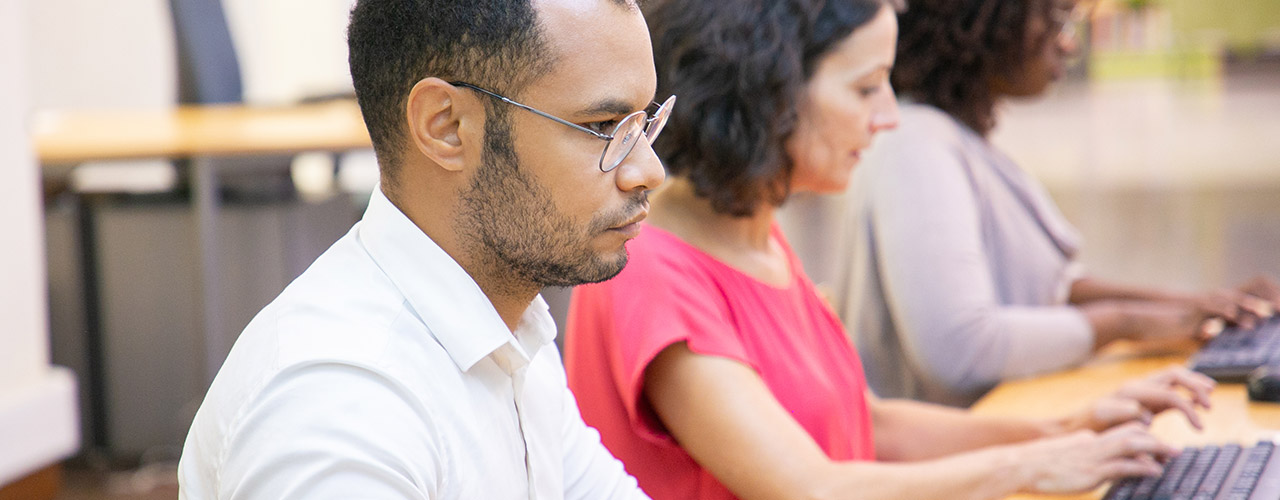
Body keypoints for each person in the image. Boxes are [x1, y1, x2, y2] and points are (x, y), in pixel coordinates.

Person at [563, 0, 1216, 499]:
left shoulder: (754, 236)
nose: (889, 116)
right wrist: (1035, 464)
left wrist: (1075, 428)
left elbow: (870, 425)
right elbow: (811, 485)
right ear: (770, 95)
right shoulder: (650, 271)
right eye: (866, 86)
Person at [178, 0, 673, 497]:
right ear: (446, 126)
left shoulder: (510, 335)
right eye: (604, 127)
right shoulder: (340, 406)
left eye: (644, 123)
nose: (649, 171)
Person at [829, 0, 1280, 407]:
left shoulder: (956, 140)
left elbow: (1050, 287)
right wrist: (1127, 323)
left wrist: (1200, 304)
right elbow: (958, 350)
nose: (1068, 43)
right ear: (985, 18)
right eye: (1055, 16)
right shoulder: (916, 145)